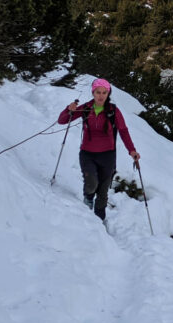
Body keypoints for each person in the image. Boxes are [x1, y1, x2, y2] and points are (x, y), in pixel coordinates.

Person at [58, 78, 139, 221]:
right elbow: (63, 120)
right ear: (93, 93)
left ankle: (100, 221)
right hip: (88, 154)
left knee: (103, 192)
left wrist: (131, 150)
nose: (101, 96)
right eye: (98, 92)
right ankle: (87, 202)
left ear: (108, 94)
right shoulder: (86, 108)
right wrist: (68, 109)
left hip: (107, 156)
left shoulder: (113, 111)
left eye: (104, 92)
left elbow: (123, 131)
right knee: (91, 184)